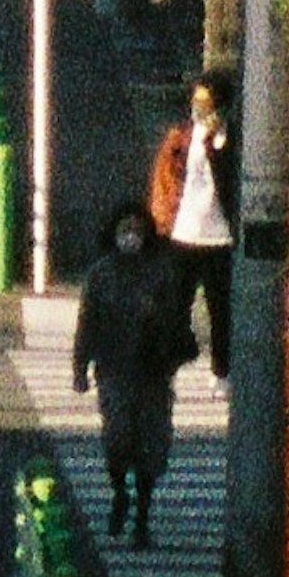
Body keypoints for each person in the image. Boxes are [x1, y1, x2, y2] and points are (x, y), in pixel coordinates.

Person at [70, 201, 189, 546]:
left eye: (137, 230)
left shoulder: (161, 273)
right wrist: (80, 365)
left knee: (151, 448)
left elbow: (178, 323)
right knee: (119, 438)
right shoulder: (101, 275)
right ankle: (120, 490)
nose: (131, 237)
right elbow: (87, 322)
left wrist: (166, 338)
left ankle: (143, 518)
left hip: (153, 375)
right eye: (125, 230)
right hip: (114, 371)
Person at [149, 75, 236, 381]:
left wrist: (215, 142)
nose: (199, 109)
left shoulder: (229, 139)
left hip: (219, 236)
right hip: (183, 233)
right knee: (174, 304)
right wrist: (161, 224)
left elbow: (230, 181)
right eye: (196, 102)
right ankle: (173, 359)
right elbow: (163, 184)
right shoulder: (180, 138)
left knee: (221, 309)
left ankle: (221, 369)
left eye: (207, 103)